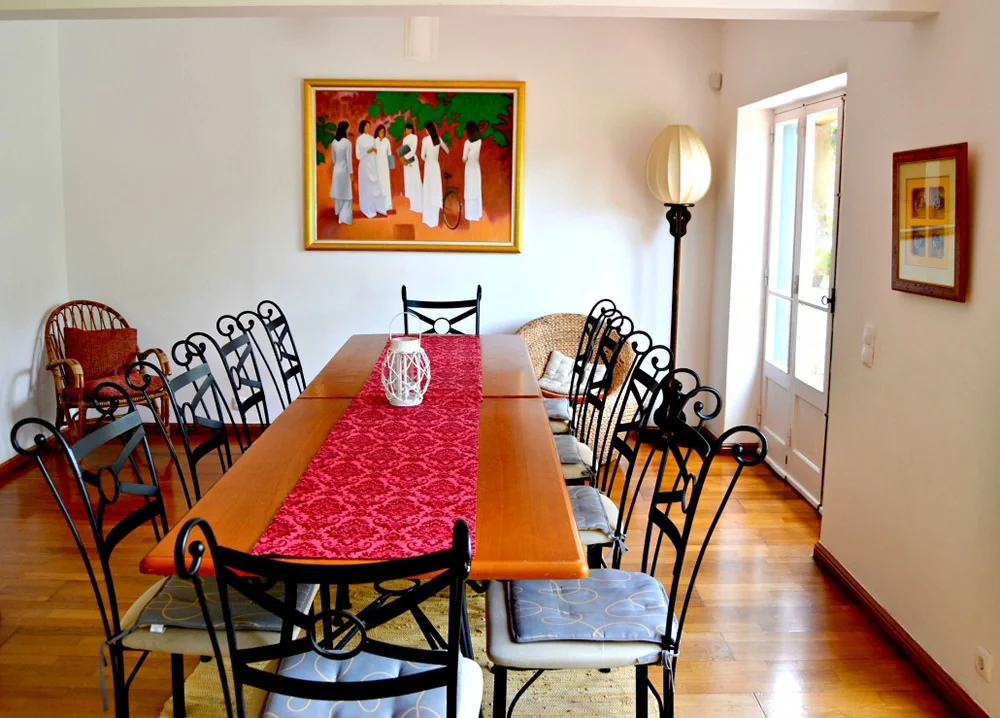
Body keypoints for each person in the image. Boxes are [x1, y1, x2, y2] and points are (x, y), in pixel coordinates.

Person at [329, 121, 353, 225]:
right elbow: (348, 160)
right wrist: (351, 172)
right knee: (347, 194)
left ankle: (338, 213)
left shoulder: (334, 142)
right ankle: (344, 217)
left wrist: (337, 165)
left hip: (336, 170)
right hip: (345, 170)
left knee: (338, 193)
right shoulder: (347, 143)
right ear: (345, 130)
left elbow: (333, 159)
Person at [355, 119, 380, 219]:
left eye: (369, 126)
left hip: (372, 165)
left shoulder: (372, 138)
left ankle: (373, 208)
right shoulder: (359, 139)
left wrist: (376, 151)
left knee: (373, 187)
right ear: (362, 127)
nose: (368, 128)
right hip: (364, 166)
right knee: (366, 187)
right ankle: (366, 208)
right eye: (366, 126)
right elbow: (358, 155)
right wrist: (368, 151)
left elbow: (376, 152)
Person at [421, 121, 443, 228]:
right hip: (436, 166)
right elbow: (446, 149)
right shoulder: (438, 139)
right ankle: (435, 220)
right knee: (435, 191)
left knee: (428, 191)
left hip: (429, 167)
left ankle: (428, 219)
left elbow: (422, 156)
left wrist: (427, 159)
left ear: (427, 130)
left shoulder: (425, 140)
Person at [462, 120, 483, 222]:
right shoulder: (479, 141)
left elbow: (463, 159)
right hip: (476, 167)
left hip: (469, 167)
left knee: (469, 190)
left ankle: (470, 215)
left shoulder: (467, 143)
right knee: (476, 190)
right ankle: (476, 214)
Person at [400, 123, 422, 213]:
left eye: (409, 129)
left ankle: (419, 205)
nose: (407, 131)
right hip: (405, 162)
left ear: (412, 129)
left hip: (412, 160)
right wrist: (403, 159)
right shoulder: (405, 139)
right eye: (406, 129)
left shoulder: (414, 137)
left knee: (415, 181)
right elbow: (402, 150)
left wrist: (406, 157)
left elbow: (413, 150)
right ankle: (412, 205)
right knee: (409, 182)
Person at [374, 125, 393, 215]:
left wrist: (391, 167)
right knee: (378, 186)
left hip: (385, 167)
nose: (381, 133)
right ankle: (377, 206)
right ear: (377, 132)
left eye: (383, 131)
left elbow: (389, 154)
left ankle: (387, 205)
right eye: (380, 131)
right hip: (376, 166)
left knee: (385, 185)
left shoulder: (387, 141)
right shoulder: (374, 141)